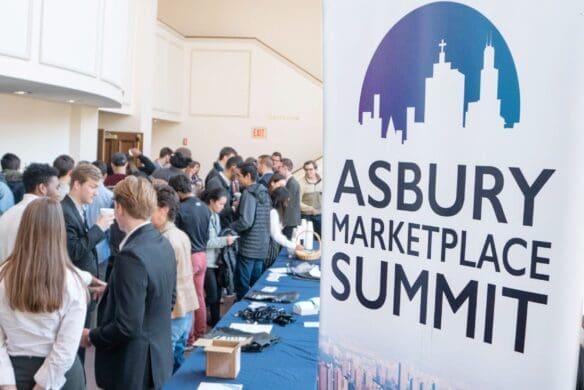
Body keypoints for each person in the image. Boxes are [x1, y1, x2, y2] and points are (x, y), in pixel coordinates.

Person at [81, 176, 177, 390]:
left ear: (119, 208)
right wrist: (115, 289)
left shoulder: (131, 256)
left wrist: (92, 336)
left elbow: (127, 327)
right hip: (156, 358)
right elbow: (166, 298)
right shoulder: (162, 242)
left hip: (134, 366)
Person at [0, 198, 88, 390]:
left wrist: (7, 384)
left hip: (14, 371)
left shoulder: (3, 274)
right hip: (60, 377)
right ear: (59, 231)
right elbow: (66, 348)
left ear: (24, 228)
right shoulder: (72, 281)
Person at [151, 184, 198, 372]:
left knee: (165, 361)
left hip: (175, 310)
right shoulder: (179, 235)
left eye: (151, 209)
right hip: (186, 306)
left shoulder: (166, 239)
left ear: (163, 210)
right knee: (177, 357)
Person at [169, 174, 210, 344]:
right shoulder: (205, 207)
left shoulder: (181, 209)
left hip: (189, 256)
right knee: (199, 295)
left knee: (186, 297)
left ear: (178, 191)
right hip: (203, 255)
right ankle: (201, 331)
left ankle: (189, 337)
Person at [0, 163, 61, 263]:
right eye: (57, 188)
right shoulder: (43, 216)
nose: (59, 193)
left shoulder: (8, 214)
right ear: (42, 188)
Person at [230, 162, 271, 300]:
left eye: (239, 176)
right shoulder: (264, 191)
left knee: (243, 284)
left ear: (248, 176)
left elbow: (246, 222)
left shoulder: (248, 193)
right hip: (262, 245)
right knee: (256, 283)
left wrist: (231, 227)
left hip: (249, 247)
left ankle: (241, 310)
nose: (237, 179)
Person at [202, 187, 235, 326]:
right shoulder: (206, 216)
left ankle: (215, 318)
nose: (222, 207)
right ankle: (210, 319)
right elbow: (207, 241)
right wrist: (224, 241)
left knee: (217, 292)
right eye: (220, 204)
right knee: (212, 294)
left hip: (216, 259)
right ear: (211, 201)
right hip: (207, 260)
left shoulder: (215, 215)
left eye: (224, 204)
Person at [206, 155, 243, 227]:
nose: (240, 177)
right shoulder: (215, 183)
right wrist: (233, 208)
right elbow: (214, 210)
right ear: (233, 168)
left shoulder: (229, 183)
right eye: (238, 174)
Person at [270, 187, 304, 256]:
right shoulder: (273, 213)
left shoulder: (278, 212)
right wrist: (293, 245)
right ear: (281, 200)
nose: (287, 203)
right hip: (270, 248)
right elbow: (276, 235)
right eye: (286, 201)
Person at [279, 158, 301, 239]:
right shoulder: (288, 182)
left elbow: (287, 204)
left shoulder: (292, 183)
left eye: (279, 167)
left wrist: (283, 223)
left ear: (285, 167)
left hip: (290, 221)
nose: (278, 170)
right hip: (289, 221)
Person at [299, 160, 322, 235]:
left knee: (322, 238)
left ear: (316, 169)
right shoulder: (300, 183)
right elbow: (297, 202)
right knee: (308, 240)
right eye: (306, 170)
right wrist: (310, 209)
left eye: (311, 169)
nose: (308, 172)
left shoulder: (323, 181)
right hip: (306, 217)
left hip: (321, 216)